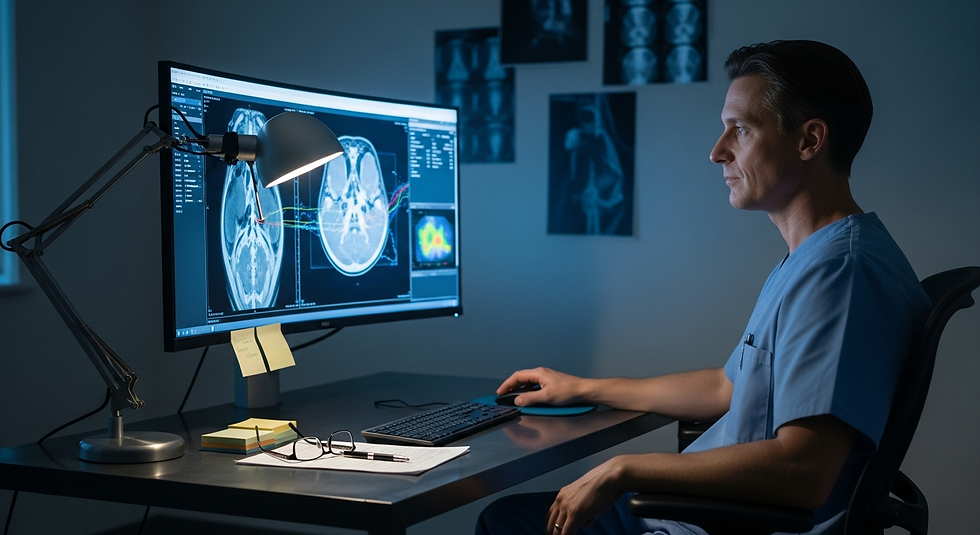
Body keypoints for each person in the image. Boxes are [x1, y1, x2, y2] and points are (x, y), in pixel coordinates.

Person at [475, 40, 932, 535]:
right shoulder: (820, 258)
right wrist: (584, 388)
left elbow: (805, 471)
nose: (718, 151)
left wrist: (623, 467)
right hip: (697, 510)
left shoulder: (839, 273)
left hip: (709, 523)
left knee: (504, 522)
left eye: (740, 129)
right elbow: (726, 386)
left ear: (809, 140)